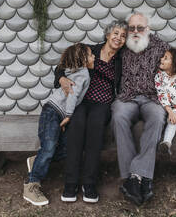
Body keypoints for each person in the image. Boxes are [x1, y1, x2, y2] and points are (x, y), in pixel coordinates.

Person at [111, 12, 176, 206]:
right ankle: (133, 178)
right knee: (118, 116)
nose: (135, 32)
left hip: (154, 99)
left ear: (148, 29)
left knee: (158, 117)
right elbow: (99, 54)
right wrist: (62, 75)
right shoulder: (121, 47)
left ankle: (138, 174)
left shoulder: (161, 47)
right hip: (127, 98)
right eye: (132, 28)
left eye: (140, 28)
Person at [55, 20, 128, 203]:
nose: (119, 38)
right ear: (107, 34)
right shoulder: (89, 50)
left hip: (103, 104)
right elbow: (62, 66)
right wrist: (62, 78)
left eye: (123, 36)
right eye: (116, 33)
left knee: (95, 129)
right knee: (76, 128)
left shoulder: (122, 59)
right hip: (80, 101)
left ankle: (89, 184)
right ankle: (70, 183)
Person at [23, 43, 95, 206]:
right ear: (83, 60)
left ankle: (37, 161)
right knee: (49, 147)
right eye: (91, 55)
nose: (94, 57)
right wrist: (68, 115)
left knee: (65, 148)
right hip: (53, 112)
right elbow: (72, 95)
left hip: (56, 112)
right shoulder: (83, 74)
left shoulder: (77, 71)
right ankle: (32, 184)